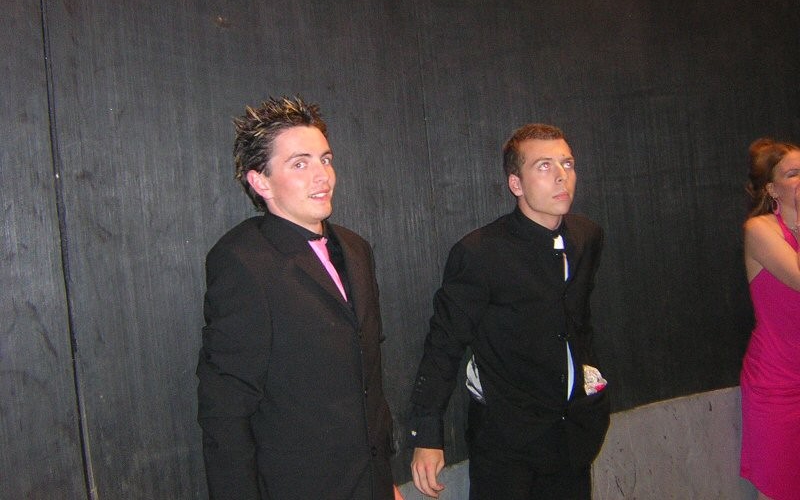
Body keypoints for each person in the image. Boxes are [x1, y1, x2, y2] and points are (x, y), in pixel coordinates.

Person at [196, 97, 403, 500]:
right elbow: (226, 408)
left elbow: (369, 381)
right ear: (261, 182)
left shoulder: (356, 249)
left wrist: (384, 479)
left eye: (325, 159)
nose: (322, 175)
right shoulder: (243, 262)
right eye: (299, 164)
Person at [409, 123, 609, 500]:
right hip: (506, 445)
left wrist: (592, 388)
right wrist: (427, 434)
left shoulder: (587, 236)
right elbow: (444, 345)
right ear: (516, 183)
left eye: (567, 163)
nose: (561, 175)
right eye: (544, 166)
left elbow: (578, 324)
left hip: (572, 437)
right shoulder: (480, 253)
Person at [740, 137, 800, 500]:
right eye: (793, 174)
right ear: (772, 189)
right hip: (777, 384)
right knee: (779, 490)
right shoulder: (760, 230)